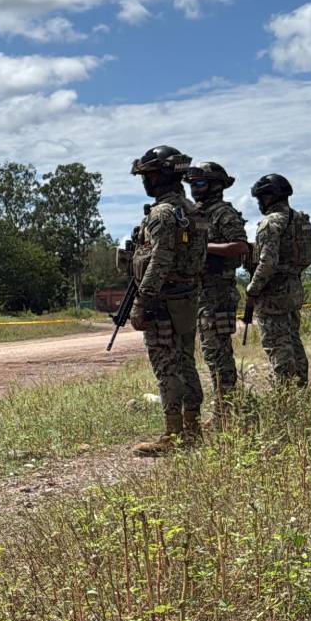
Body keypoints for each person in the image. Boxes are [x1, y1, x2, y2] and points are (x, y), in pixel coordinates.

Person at [121, 145, 207, 455]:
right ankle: (193, 429)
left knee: (166, 366)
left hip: (163, 301)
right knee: (185, 361)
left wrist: (142, 301)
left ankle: (173, 435)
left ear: (160, 177)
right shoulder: (192, 211)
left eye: (148, 175)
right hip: (186, 298)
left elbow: (159, 260)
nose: (145, 181)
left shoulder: (162, 213)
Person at [185, 162, 250, 422]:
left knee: (218, 353)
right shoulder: (193, 213)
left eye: (199, 184)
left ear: (216, 185)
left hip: (218, 293)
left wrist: (204, 247)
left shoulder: (224, 213)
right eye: (192, 185)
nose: (195, 190)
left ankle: (227, 412)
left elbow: (240, 246)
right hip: (198, 292)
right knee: (209, 353)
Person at [244, 173, 311, 386]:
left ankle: (285, 394)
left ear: (268, 197)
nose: (259, 203)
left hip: (273, 292)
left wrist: (252, 289)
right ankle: (300, 387)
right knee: (293, 340)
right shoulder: (298, 219)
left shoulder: (272, 222)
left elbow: (267, 262)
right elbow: (307, 258)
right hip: (293, 287)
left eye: (260, 198)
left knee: (277, 344)